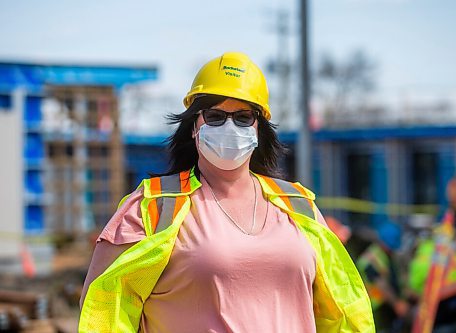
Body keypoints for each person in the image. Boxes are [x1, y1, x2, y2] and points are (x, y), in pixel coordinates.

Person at [78, 52, 374, 332]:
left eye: (243, 117)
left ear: (259, 127)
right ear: (194, 126)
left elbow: (342, 310)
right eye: (215, 116)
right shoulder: (153, 207)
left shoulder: (298, 206)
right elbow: (103, 311)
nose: (229, 126)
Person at [356, 221, 409, 333]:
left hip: (385, 307)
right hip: (375, 309)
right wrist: (397, 304)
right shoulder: (371, 259)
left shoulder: (384, 256)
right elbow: (381, 285)